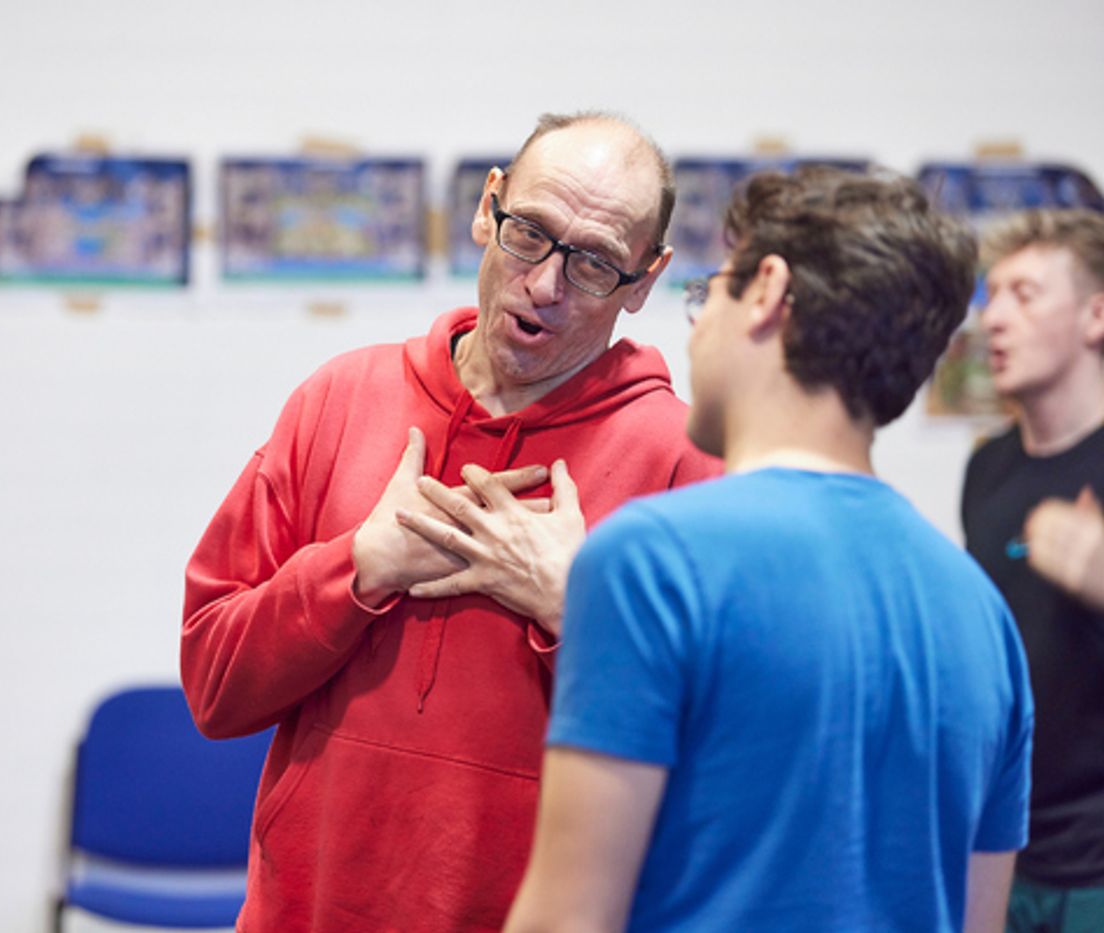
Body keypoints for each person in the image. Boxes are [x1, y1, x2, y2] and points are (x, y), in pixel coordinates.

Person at [181, 112, 721, 931]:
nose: (545, 284)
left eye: (595, 263)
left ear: (646, 280)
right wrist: (357, 567)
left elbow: (722, 777)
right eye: (531, 234)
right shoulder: (340, 399)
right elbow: (215, 687)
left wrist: (580, 613)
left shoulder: (687, 465)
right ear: (488, 206)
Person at [505, 167, 1034, 932]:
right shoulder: (984, 614)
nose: (695, 325)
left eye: (708, 290)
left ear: (766, 291)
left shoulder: (654, 562)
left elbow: (567, 918)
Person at [961, 208, 1104, 931]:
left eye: (1024, 294)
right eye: (993, 296)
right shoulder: (987, 468)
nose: (994, 320)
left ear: (1095, 314)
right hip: (1003, 845)